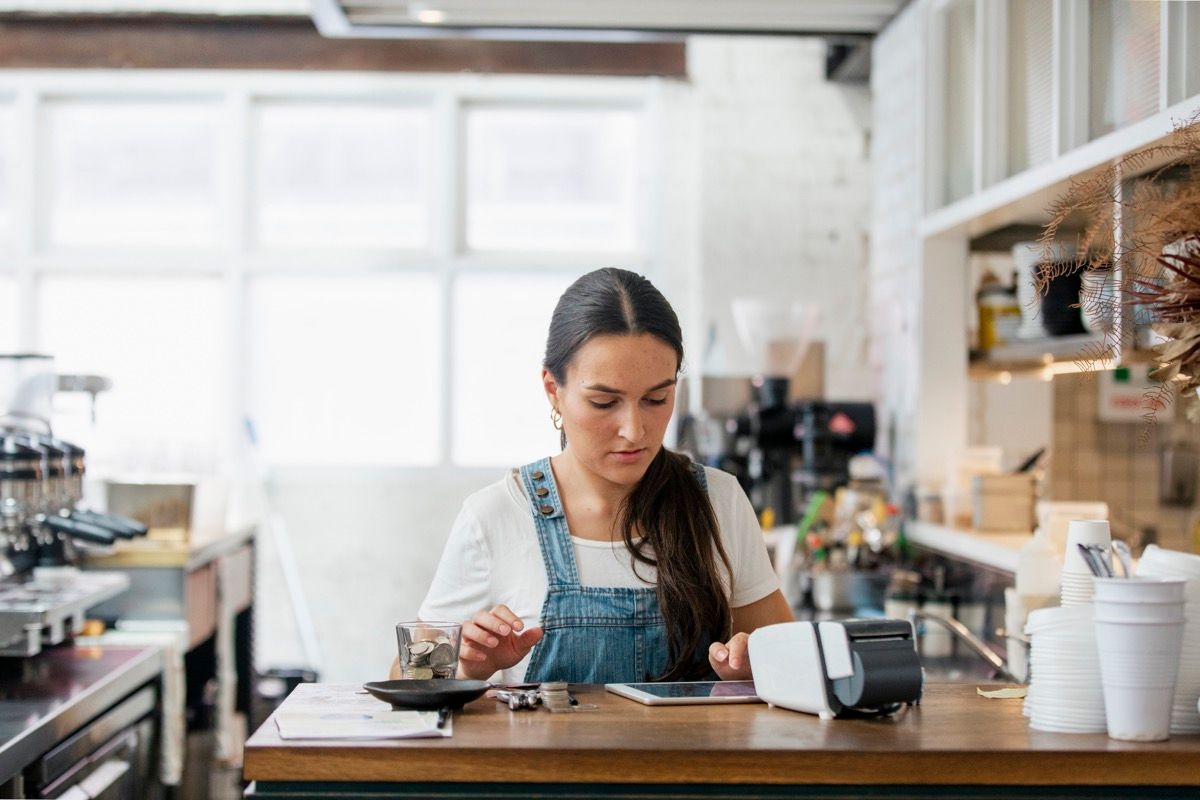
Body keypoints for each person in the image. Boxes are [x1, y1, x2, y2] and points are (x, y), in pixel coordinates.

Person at [401, 268, 793, 685]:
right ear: (553, 389)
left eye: (656, 398)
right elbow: (406, 678)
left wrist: (759, 667)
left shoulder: (717, 500)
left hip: (691, 754)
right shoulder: (495, 516)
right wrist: (464, 669)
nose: (634, 430)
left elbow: (793, 661)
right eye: (604, 402)